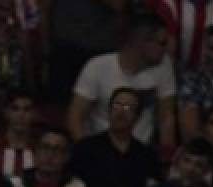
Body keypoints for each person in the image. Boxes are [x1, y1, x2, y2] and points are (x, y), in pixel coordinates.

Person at [67, 14, 177, 149]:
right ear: (143, 42)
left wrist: (167, 157)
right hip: (99, 150)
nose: (165, 49)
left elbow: (166, 118)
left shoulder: (164, 66)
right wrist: (87, 152)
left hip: (140, 154)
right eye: (162, 43)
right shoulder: (97, 66)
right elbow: (75, 117)